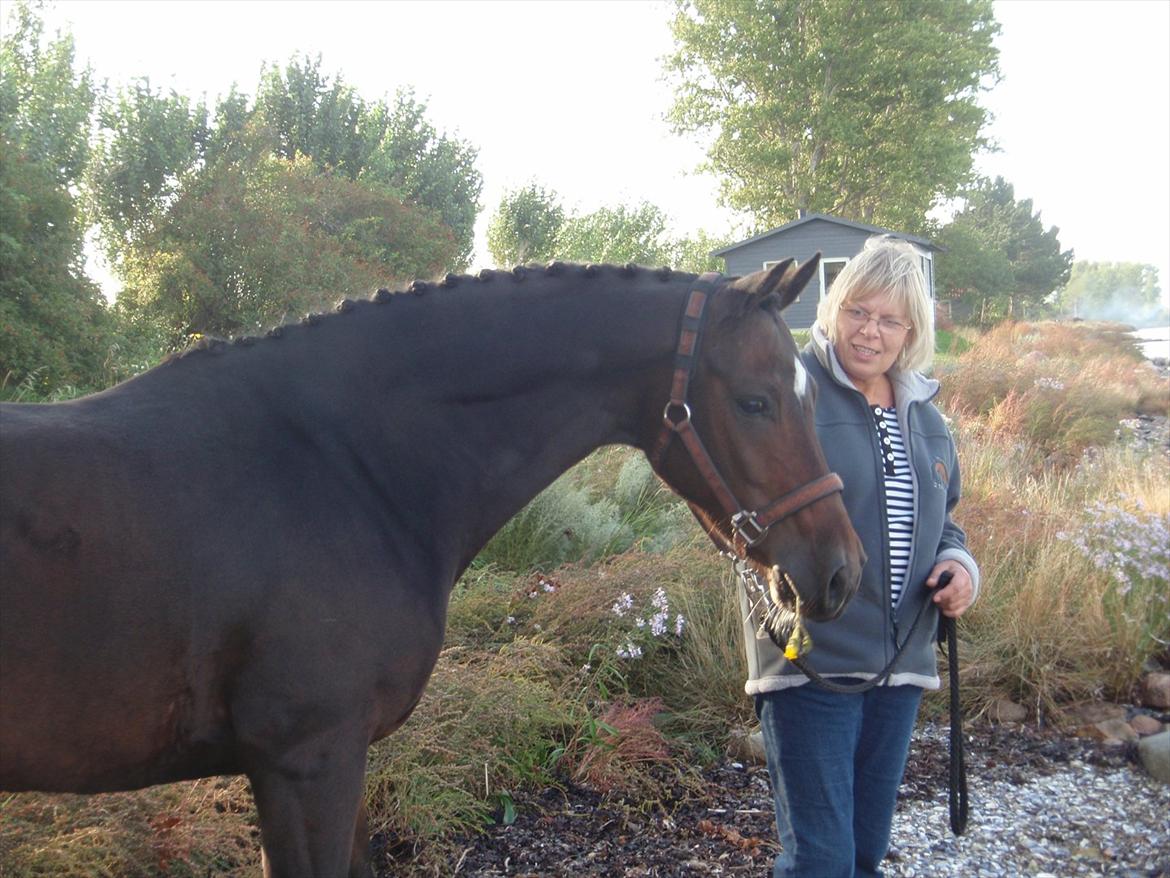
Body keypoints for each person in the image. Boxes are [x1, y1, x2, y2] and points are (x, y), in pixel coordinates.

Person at [739, 235, 980, 878]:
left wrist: (961, 570)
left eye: (889, 320)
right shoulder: (792, 393)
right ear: (833, 309)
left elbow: (944, 524)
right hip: (811, 663)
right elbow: (748, 512)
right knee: (822, 860)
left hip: (901, 668)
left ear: (910, 331)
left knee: (865, 854)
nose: (870, 332)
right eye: (858, 312)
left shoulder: (926, 417)